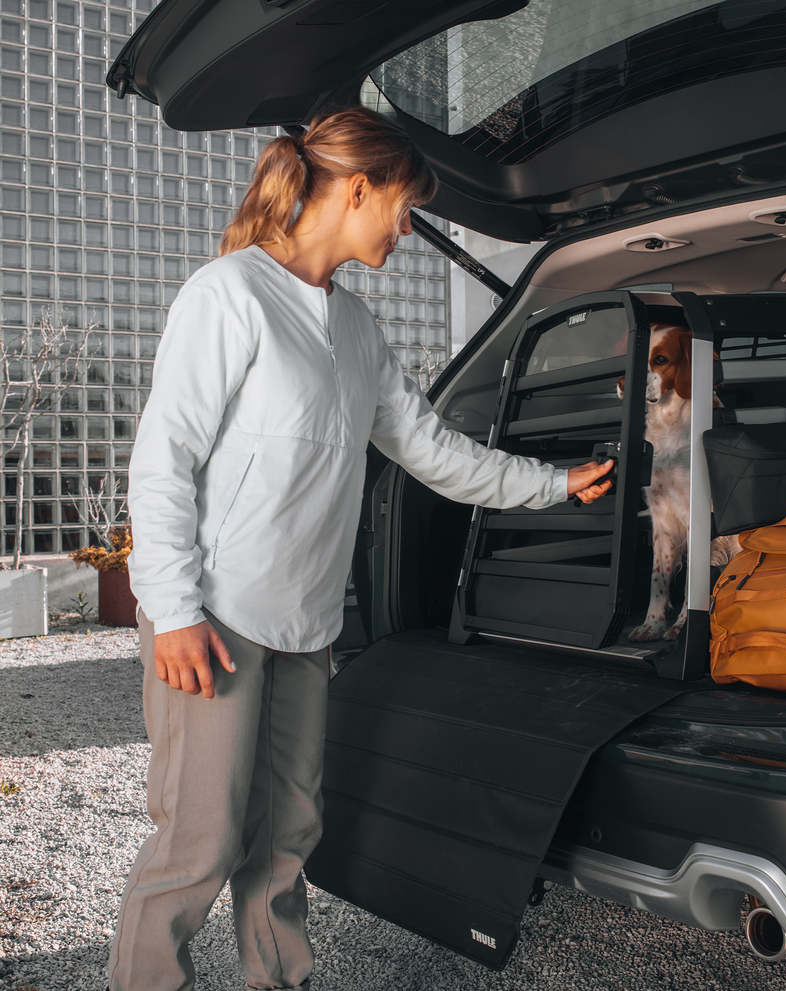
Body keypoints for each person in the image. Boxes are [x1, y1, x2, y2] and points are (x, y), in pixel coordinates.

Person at [107, 106, 614, 991]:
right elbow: (161, 463)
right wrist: (175, 610)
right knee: (198, 842)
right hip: (215, 622)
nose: (407, 228)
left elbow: (432, 451)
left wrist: (555, 483)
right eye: (404, 207)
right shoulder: (230, 294)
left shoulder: (358, 332)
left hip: (303, 630)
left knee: (285, 839)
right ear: (357, 188)